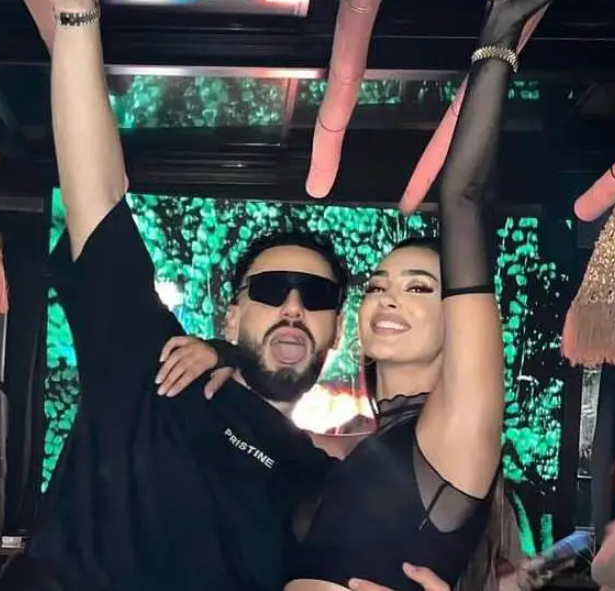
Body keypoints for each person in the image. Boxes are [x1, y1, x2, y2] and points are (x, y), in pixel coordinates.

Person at [0, 2, 436, 591]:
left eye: (316, 296)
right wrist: (77, 16)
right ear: (231, 315)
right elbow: (95, 194)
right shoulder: (155, 369)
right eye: (272, 290)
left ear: (335, 330)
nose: (293, 308)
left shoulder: (316, 480)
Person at [155, 0, 551, 589]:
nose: (389, 298)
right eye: (378, 285)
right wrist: (228, 352)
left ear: (460, 322)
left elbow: (463, 197)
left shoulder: (455, 432)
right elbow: (271, 429)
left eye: (419, 287)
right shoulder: (363, 450)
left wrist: (499, 34)